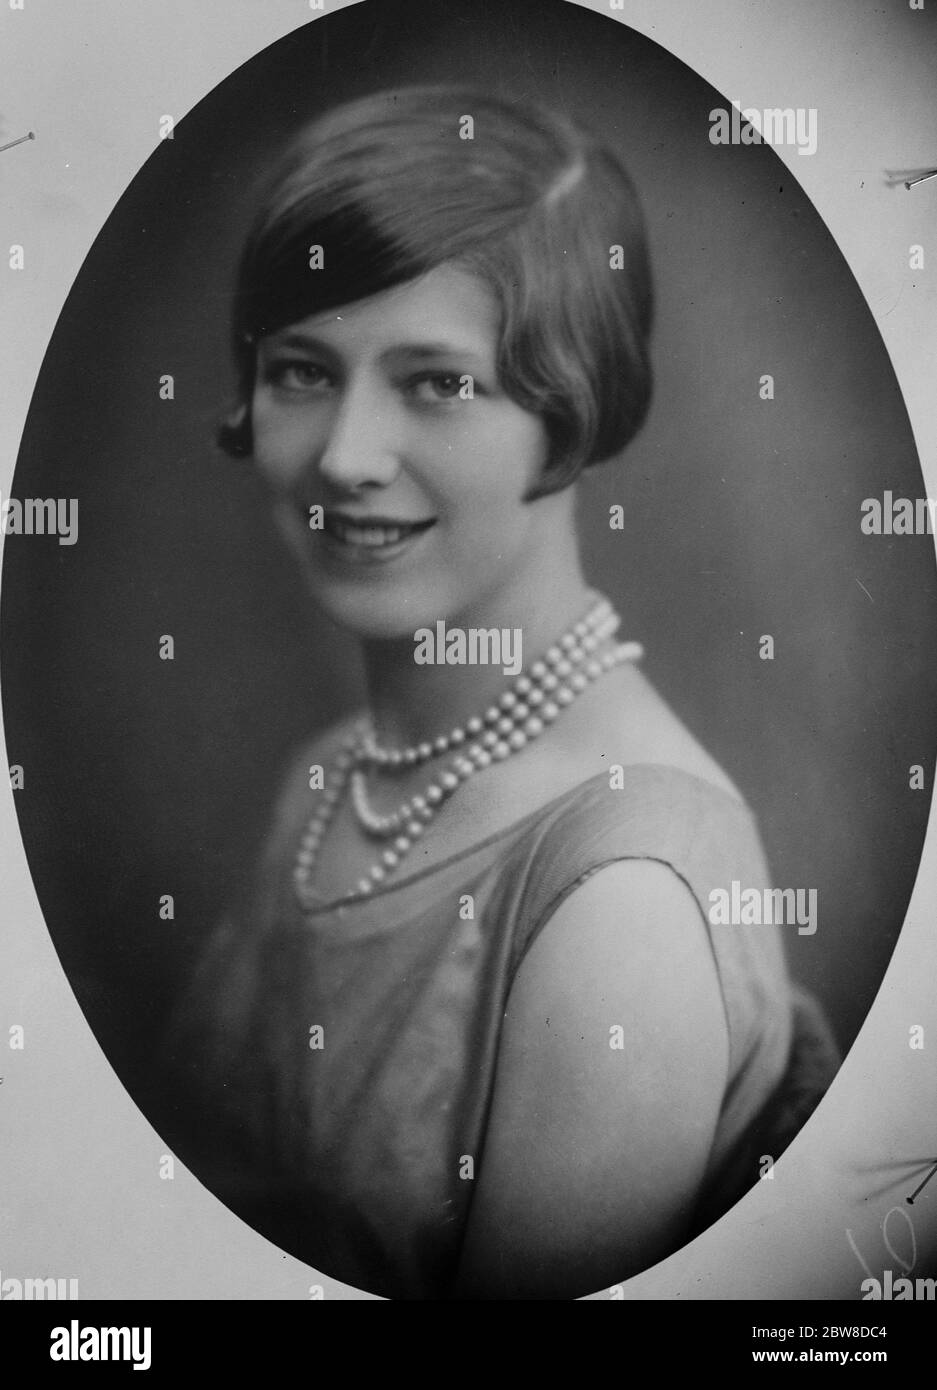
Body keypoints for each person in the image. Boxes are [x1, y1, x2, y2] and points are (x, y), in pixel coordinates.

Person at [160, 84, 839, 1300]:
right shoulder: (334, 776)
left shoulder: (618, 910)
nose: (347, 459)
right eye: (302, 371)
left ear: (568, 418)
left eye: (437, 382)